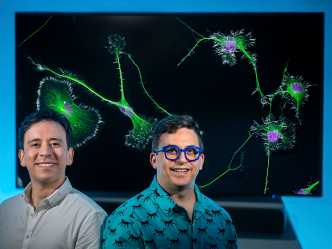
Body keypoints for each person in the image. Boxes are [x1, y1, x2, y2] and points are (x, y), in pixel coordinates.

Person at [103, 115, 238, 248]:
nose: (182, 159)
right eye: (172, 151)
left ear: (201, 161)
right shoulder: (126, 219)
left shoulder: (221, 218)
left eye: (191, 151)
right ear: (154, 160)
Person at [0, 108, 107, 249]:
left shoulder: (90, 217)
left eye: (55, 144)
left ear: (69, 156)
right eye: (35, 144)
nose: (45, 152)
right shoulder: (4, 210)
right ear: (22, 157)